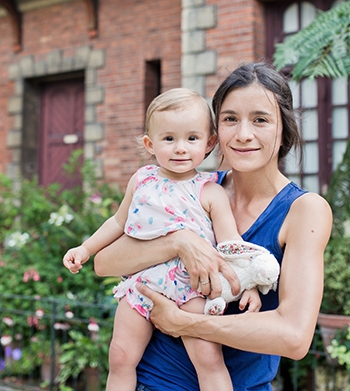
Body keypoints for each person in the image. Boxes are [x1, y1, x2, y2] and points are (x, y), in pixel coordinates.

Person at [93, 62, 333, 391]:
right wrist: (178, 241)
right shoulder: (194, 187)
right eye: (230, 118)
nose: (243, 134)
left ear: (284, 129)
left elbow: (294, 337)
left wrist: (186, 323)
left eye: (260, 119)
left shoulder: (303, 210)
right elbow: (104, 262)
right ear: (215, 131)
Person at [62, 88, 265, 391]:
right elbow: (118, 221)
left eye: (192, 139)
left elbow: (230, 244)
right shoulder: (141, 180)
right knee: (119, 356)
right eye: (169, 139)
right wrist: (86, 248)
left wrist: (251, 285)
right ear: (150, 144)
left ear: (209, 143)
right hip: (143, 283)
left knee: (208, 360)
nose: (181, 148)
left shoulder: (210, 191)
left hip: (192, 287)